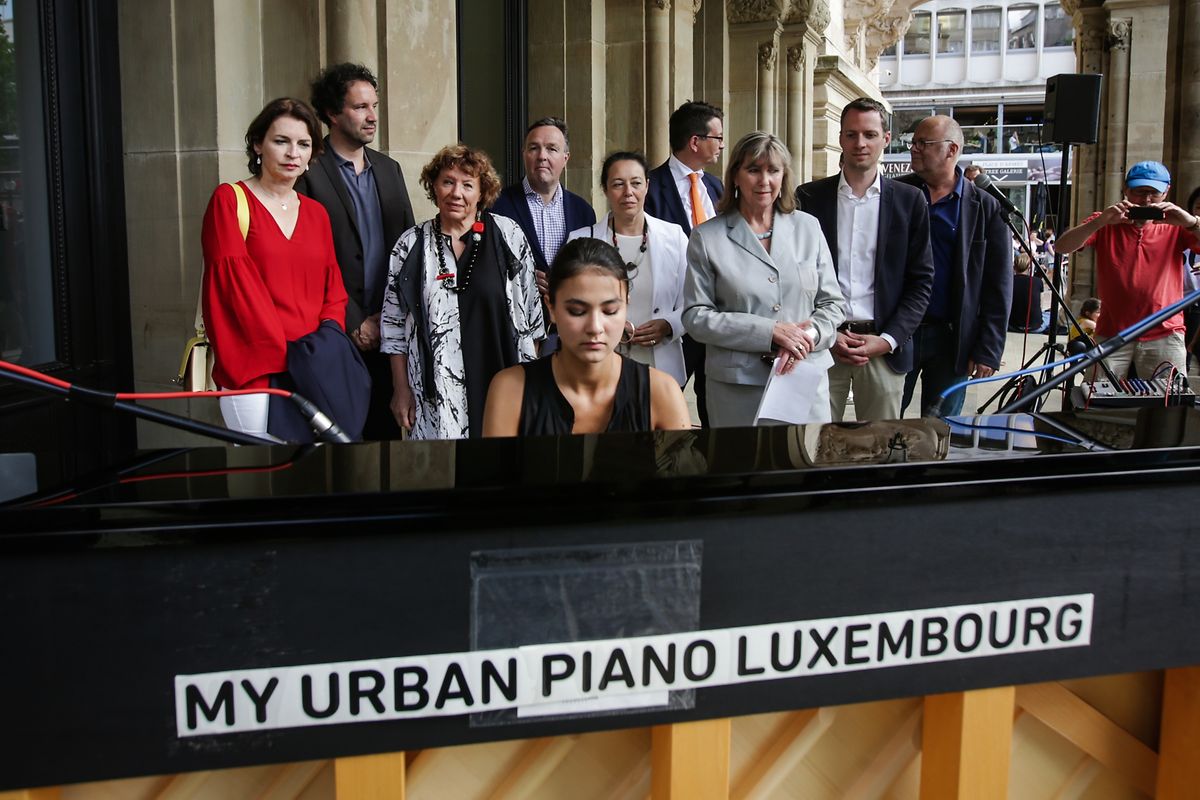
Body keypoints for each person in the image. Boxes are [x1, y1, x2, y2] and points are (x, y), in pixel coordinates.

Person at [201, 98, 359, 439]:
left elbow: (334, 288)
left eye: (303, 144)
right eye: (281, 141)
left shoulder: (317, 214)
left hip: (316, 366)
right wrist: (289, 351)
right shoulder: (230, 200)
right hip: (258, 370)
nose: (292, 153)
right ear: (258, 144)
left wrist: (327, 342)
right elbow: (235, 291)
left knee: (320, 480)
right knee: (264, 479)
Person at [381, 144, 545, 440]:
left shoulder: (508, 234)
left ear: (482, 193)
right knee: (440, 476)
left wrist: (530, 385)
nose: (456, 193)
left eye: (468, 185)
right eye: (447, 181)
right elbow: (393, 327)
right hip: (435, 395)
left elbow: (533, 319)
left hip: (501, 380)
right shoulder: (410, 245)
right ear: (434, 187)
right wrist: (401, 389)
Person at [683, 131, 845, 427]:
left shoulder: (809, 227)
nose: (764, 180)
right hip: (737, 389)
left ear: (784, 176)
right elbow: (696, 316)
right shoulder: (707, 237)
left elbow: (833, 305)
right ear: (735, 175)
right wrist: (769, 331)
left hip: (804, 381)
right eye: (753, 169)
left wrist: (805, 338)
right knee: (742, 469)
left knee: (807, 467)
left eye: (773, 170)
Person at [295, 63, 415, 440]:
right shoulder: (307, 172)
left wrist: (389, 320)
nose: (372, 116)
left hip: (391, 337)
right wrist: (354, 322)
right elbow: (304, 263)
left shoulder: (390, 169)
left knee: (389, 444)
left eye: (374, 106)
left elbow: (408, 251)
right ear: (332, 113)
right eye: (360, 107)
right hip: (332, 335)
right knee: (340, 444)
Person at [795, 97, 934, 422]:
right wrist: (826, 335)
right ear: (840, 138)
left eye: (870, 134)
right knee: (810, 447)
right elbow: (794, 276)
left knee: (879, 452)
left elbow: (921, 281)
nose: (860, 143)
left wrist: (887, 340)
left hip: (883, 349)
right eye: (852, 134)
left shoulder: (909, 201)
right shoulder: (809, 198)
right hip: (821, 344)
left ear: (885, 139)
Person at [483, 238, 692, 435]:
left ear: (626, 305)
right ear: (551, 308)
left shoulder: (661, 393)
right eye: (577, 311)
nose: (595, 327)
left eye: (609, 311)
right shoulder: (511, 391)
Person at [896, 115, 1012, 416]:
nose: (914, 149)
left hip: (952, 337)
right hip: (898, 332)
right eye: (913, 143)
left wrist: (988, 348)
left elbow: (998, 285)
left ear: (952, 150)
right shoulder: (896, 194)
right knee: (885, 422)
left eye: (924, 143)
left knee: (941, 428)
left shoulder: (985, 207)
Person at [1055, 161, 1200, 379]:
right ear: (1125, 190)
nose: (1146, 200)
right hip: (1113, 331)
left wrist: (1191, 222)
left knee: (1168, 403)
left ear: (1166, 192)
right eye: (1139, 192)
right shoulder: (1106, 222)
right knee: (1095, 397)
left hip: (1165, 332)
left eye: (1154, 193)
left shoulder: (1177, 226)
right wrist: (1101, 222)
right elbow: (1061, 247)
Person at [566, 151, 689, 387]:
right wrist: (607, 325)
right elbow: (568, 305)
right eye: (618, 184)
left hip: (660, 365)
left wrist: (669, 325)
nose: (628, 192)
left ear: (647, 186)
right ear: (605, 189)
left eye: (636, 183)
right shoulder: (580, 240)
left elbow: (693, 300)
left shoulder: (673, 236)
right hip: (599, 363)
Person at [645, 100, 725, 426]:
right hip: (669, 321)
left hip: (716, 319)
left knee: (715, 410)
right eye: (717, 138)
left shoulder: (717, 187)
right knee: (661, 410)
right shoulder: (649, 187)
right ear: (695, 141)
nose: (721, 144)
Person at [491, 117, 597, 282]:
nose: (542, 156)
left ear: (565, 158)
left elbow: (590, 268)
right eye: (534, 148)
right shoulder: (496, 205)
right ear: (524, 154)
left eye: (552, 149)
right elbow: (488, 265)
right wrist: (524, 279)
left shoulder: (583, 212)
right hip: (516, 305)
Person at [1008, 253, 1047, 333]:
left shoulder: (1009, 281)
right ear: (1030, 267)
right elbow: (1041, 306)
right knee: (1049, 316)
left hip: (1012, 325)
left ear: (1014, 266)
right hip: (1035, 327)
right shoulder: (1037, 282)